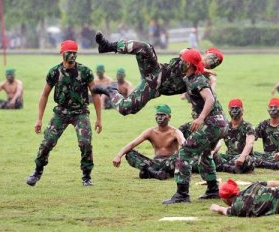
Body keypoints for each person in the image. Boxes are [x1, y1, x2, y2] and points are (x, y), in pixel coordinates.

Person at [26, 40, 102, 187]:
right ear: (62, 54)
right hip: (61, 113)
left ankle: (86, 176)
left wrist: (99, 119)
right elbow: (44, 95)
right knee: (48, 142)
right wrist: (39, 119)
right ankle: (37, 172)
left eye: (75, 53)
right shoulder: (55, 72)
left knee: (85, 142)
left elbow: (95, 95)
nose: (72, 55)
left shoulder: (85, 72)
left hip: (80, 113)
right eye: (69, 52)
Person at [92, 32, 223, 115]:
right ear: (207, 54)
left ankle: (111, 90)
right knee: (145, 48)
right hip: (156, 71)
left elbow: (208, 98)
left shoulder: (203, 79)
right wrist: (199, 67)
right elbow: (182, 52)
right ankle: (108, 46)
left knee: (126, 108)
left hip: (154, 88)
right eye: (213, 57)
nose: (213, 61)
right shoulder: (193, 54)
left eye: (216, 62)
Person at [162, 49, 228, 204]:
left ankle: (182, 195)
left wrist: (200, 118)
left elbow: (210, 99)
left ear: (188, 64)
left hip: (212, 123)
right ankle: (213, 190)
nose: (180, 63)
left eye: (182, 61)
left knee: (185, 152)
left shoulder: (198, 80)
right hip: (220, 124)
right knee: (205, 153)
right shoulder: (193, 77)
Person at [112, 104, 185, 180]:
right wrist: (118, 155)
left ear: (169, 117)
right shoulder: (150, 132)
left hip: (170, 163)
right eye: (158, 115)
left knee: (182, 153)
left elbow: (184, 143)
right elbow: (132, 144)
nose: (159, 117)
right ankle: (154, 173)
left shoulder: (175, 132)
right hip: (155, 163)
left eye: (163, 115)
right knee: (130, 154)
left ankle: (150, 172)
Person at [213, 98, 255, 174]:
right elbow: (218, 142)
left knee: (247, 159)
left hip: (244, 157)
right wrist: (212, 152)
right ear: (229, 110)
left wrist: (242, 156)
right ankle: (231, 168)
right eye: (232, 108)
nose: (234, 111)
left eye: (237, 108)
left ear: (242, 110)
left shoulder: (248, 126)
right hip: (229, 157)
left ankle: (223, 167)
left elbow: (250, 143)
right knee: (211, 156)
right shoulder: (225, 126)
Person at [254, 98, 279, 170]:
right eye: (271, 107)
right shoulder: (263, 124)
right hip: (268, 155)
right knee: (252, 154)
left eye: (276, 107)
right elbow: (251, 137)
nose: (273, 109)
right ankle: (272, 164)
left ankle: (265, 163)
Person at [210, 179, 279, 217]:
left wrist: (218, 208)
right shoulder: (252, 185)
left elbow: (224, 210)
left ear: (225, 199)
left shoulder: (237, 207)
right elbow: (273, 183)